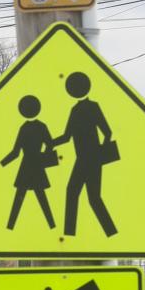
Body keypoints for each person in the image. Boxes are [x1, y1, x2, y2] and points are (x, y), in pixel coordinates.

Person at [53, 71, 118, 238]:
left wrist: (100, 153)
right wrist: (49, 143)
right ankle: (71, 233)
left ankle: (109, 232)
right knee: (80, 194)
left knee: (88, 196)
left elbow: (107, 132)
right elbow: (67, 137)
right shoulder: (75, 109)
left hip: (91, 159)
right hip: (83, 159)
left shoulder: (91, 107)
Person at [0, 95, 59, 231]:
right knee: (41, 197)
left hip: (26, 167)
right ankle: (52, 226)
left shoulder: (24, 128)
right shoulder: (42, 126)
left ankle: (10, 226)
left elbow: (16, 152)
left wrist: (2, 163)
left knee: (20, 198)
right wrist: (42, 157)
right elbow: (50, 145)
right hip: (37, 166)